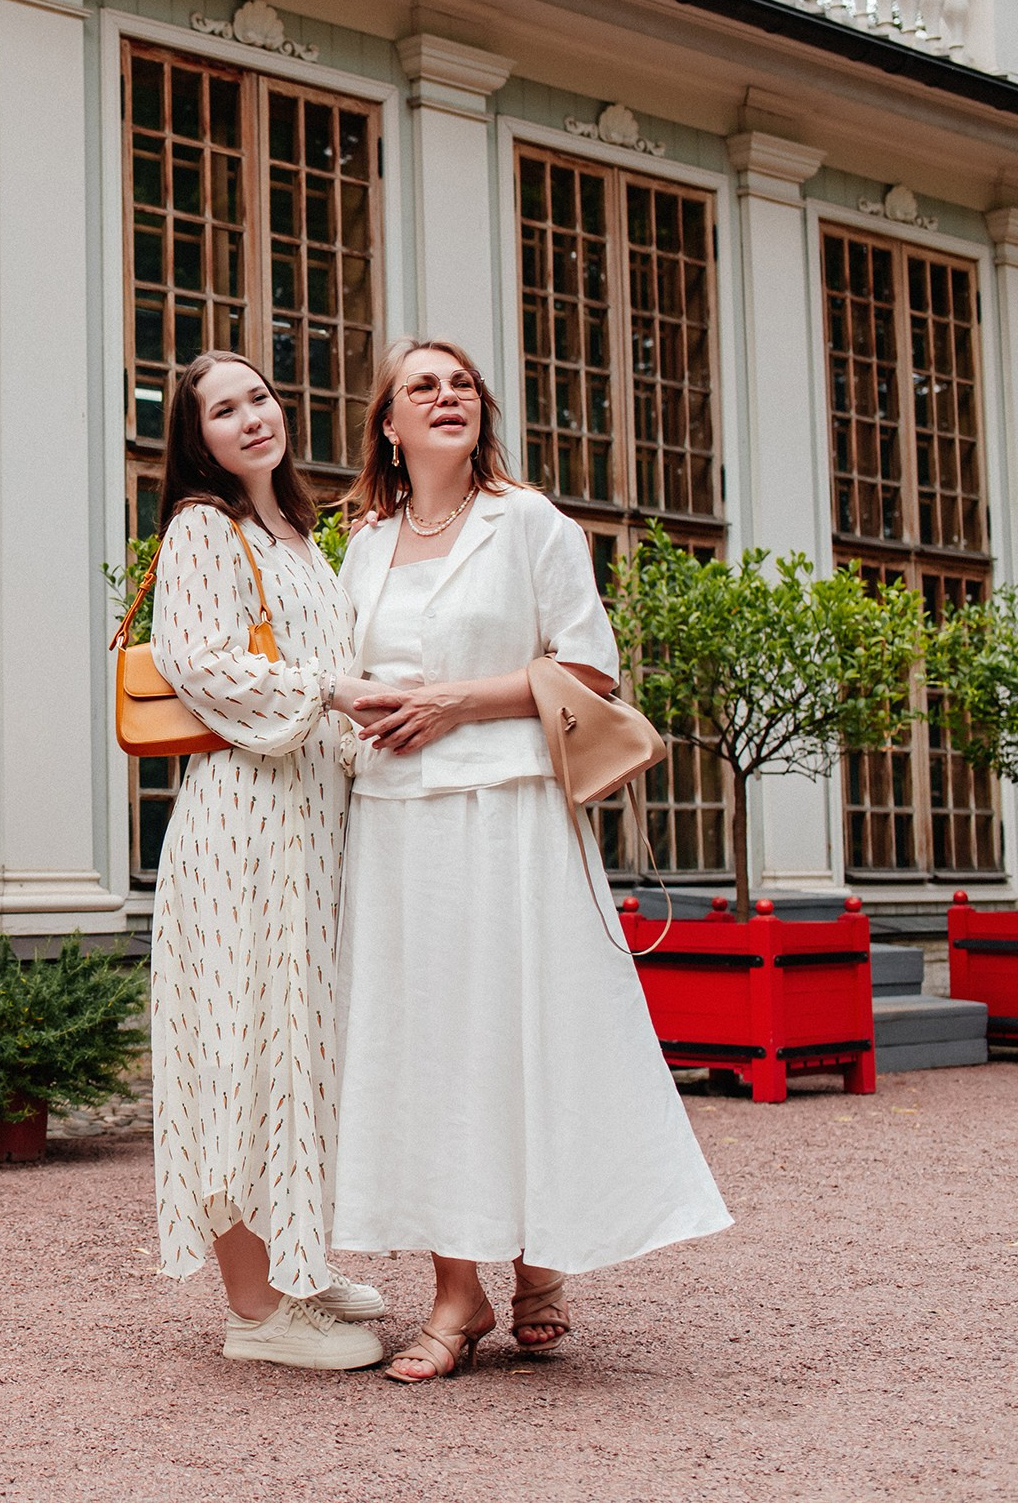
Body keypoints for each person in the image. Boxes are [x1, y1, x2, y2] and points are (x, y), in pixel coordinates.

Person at [328, 339, 731, 1381]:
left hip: (507, 814)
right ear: (389, 425)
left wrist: (453, 701)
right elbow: (342, 674)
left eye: (460, 384)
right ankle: (457, 1293)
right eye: (423, 386)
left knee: (518, 1035)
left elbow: (589, 662)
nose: (445, 396)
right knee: (425, 1057)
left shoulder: (530, 521)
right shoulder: (364, 544)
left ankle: (542, 1259)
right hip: (393, 822)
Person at [144, 349, 395, 1372]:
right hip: (244, 832)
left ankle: (296, 1259)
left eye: (256, 397)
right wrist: (332, 692)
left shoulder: (293, 534)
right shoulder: (203, 527)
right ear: (194, 438)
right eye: (222, 410)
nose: (249, 418)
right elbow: (195, 660)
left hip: (305, 830)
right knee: (245, 1051)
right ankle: (256, 1313)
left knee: (297, 1050)